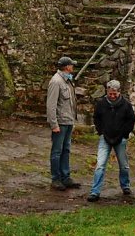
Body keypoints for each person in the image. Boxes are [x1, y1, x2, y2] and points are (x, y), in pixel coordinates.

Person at [87, 80, 135, 202]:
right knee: (100, 165)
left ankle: (125, 186)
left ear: (119, 92)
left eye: (115, 94)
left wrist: (124, 134)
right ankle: (95, 191)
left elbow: (131, 120)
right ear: (107, 92)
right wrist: (101, 131)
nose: (112, 96)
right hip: (105, 137)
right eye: (110, 94)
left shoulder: (126, 105)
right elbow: (96, 118)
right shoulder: (101, 104)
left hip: (120, 138)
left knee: (124, 165)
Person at [46, 56, 80, 191]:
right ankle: (56, 178)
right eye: (72, 65)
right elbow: (51, 105)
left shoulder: (67, 81)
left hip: (68, 120)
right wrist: (54, 124)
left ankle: (66, 177)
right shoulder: (56, 82)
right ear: (67, 67)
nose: (73, 67)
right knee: (57, 151)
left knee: (66, 150)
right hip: (60, 122)